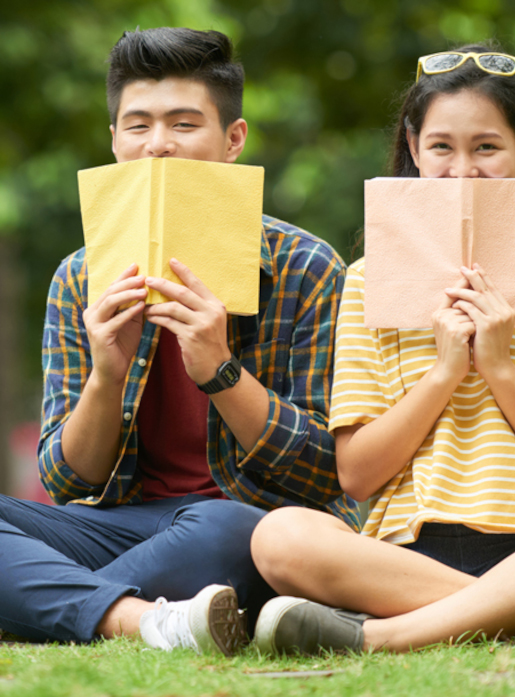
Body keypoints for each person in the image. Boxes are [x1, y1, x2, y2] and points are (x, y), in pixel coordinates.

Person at [0, 27, 358, 655]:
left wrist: (220, 370)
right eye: (137, 127)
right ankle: (139, 620)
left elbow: (330, 473)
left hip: (250, 525)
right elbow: (62, 481)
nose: (158, 146)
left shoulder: (307, 267)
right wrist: (106, 376)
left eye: (184, 124)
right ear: (114, 142)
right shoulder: (80, 277)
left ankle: (38, 605)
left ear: (233, 141)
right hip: (123, 528)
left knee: (221, 528)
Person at [250, 44, 515, 655]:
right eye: (441, 147)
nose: (462, 169)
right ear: (413, 150)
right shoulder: (365, 280)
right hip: (406, 552)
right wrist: (444, 371)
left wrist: (499, 367)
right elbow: (357, 476)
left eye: (486, 147)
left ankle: (388, 636)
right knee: (279, 536)